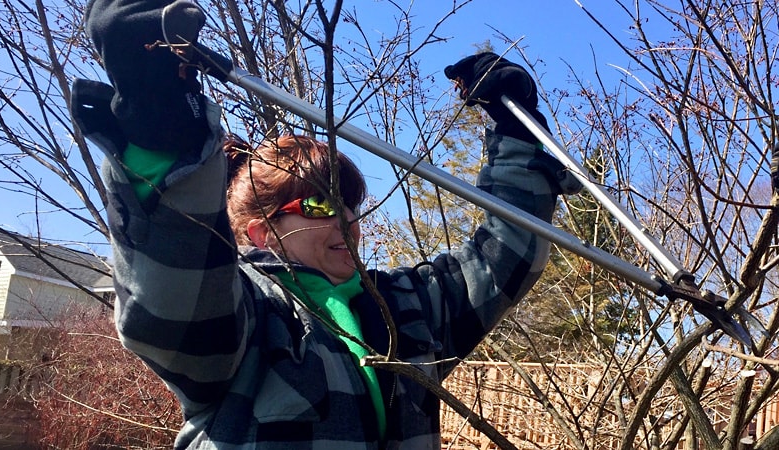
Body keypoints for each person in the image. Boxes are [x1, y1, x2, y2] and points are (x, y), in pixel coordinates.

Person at [70, 0, 580, 448]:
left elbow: (503, 256)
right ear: (261, 233)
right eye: (317, 207)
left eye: (351, 205)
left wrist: (515, 134)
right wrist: (162, 135)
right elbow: (174, 295)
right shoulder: (246, 315)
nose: (347, 219)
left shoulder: (408, 308)